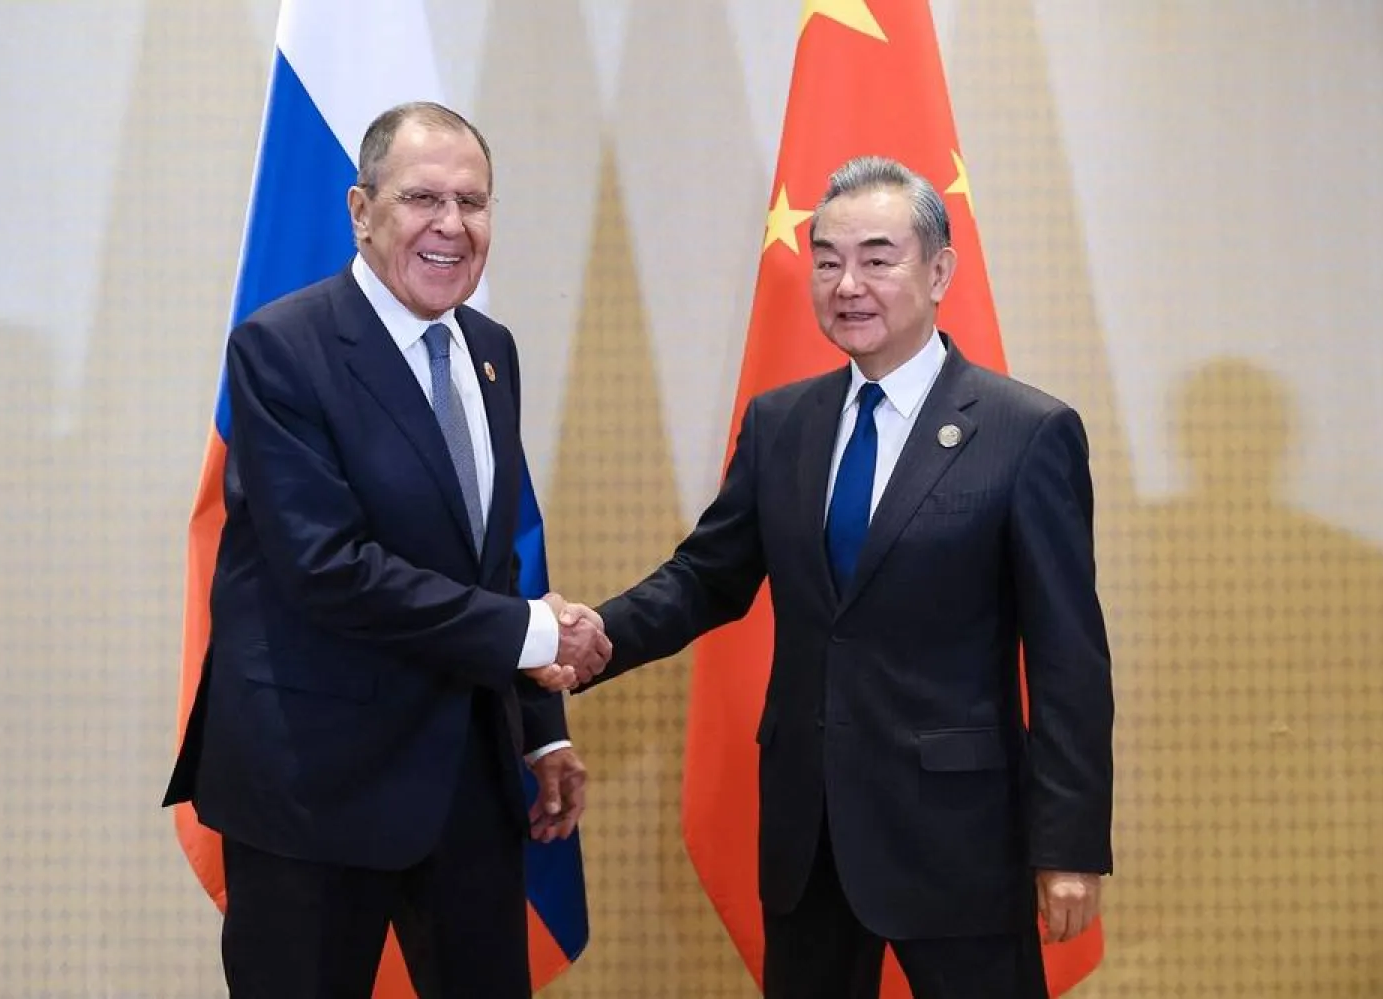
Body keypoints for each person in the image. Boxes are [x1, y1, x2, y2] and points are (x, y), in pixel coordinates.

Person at [569, 156, 1114, 999]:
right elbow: (706, 577)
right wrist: (588, 639)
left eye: (877, 257)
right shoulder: (783, 423)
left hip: (959, 839)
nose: (847, 283)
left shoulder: (1024, 432)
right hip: (808, 830)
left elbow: (1069, 660)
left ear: (939, 272)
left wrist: (1070, 843)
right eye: (826, 259)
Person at [162, 101, 609, 999]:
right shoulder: (281, 349)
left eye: (473, 202)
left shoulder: (491, 351)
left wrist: (537, 734)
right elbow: (328, 569)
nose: (452, 226)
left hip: (465, 786)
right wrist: (535, 635)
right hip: (312, 787)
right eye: (422, 199)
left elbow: (494, 558)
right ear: (361, 210)